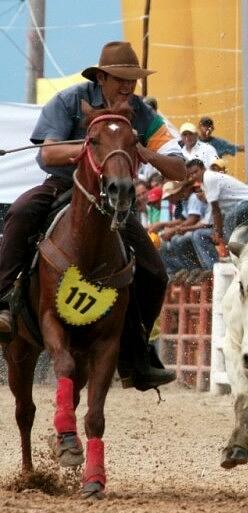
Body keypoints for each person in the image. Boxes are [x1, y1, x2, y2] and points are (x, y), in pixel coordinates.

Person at [0, 41, 186, 390]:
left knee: (156, 273)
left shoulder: (143, 114)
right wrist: (90, 149)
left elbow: (178, 168)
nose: (129, 86)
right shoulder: (69, 101)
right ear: (101, 77)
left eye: (134, 79)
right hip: (63, 186)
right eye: (121, 79)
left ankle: (137, 354)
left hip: (112, 202)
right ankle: (4, 302)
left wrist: (137, 148)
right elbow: (48, 155)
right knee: (21, 212)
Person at [185, 159, 248, 246]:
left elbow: (216, 210)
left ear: (203, 169)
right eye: (191, 174)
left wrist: (218, 233)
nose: (194, 176)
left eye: (195, 172)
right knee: (237, 230)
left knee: (229, 220)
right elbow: (215, 212)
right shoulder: (204, 183)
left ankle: (233, 252)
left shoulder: (208, 177)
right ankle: (246, 248)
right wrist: (217, 231)